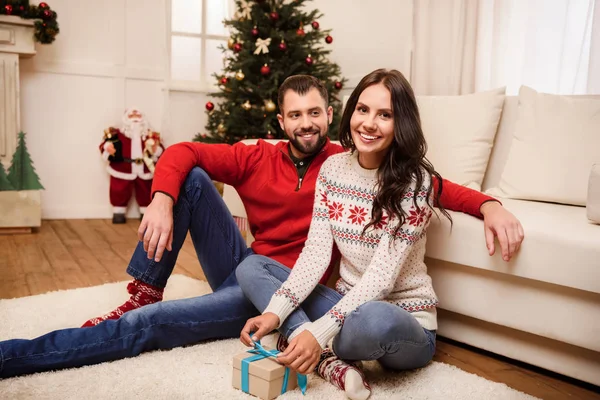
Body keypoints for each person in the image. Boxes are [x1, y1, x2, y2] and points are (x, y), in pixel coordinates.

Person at [0, 75, 523, 379]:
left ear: (329, 113)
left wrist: (489, 205)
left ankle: (306, 343)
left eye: (315, 112)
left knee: (157, 327)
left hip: (307, 294)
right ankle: (143, 289)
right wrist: (159, 198)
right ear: (281, 122)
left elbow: (435, 188)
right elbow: (183, 152)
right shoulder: (270, 158)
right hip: (258, 277)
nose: (307, 124)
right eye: (295, 116)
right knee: (200, 189)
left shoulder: (355, 158)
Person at [235, 69, 513, 400]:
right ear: (350, 111)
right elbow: (316, 254)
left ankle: (306, 340)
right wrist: (275, 310)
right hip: (344, 303)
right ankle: (326, 361)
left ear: (402, 124)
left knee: (372, 320)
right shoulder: (332, 170)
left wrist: (320, 330)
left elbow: (381, 280)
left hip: (400, 320)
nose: (369, 123)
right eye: (363, 110)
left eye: (385, 115)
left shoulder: (415, 183)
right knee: (251, 267)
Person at [99, 107, 164, 224]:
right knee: (119, 189)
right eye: (131, 116)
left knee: (146, 190)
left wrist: (156, 149)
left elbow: (161, 148)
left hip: (144, 168)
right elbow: (104, 144)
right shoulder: (118, 133)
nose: (135, 119)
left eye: (138, 116)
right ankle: (118, 211)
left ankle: (146, 211)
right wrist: (107, 147)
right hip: (123, 167)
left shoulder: (150, 135)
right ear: (126, 119)